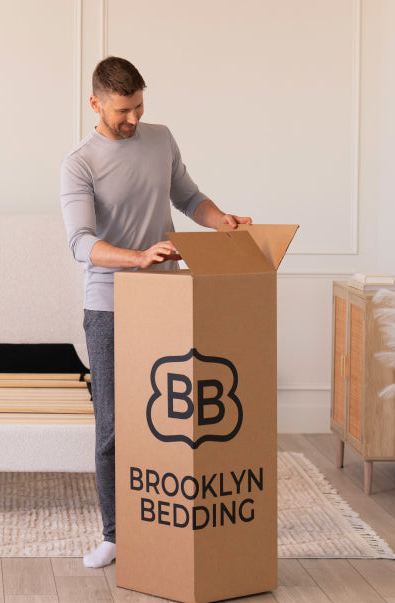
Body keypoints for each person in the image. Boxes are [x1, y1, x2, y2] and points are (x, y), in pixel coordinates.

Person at [60, 56, 252, 569]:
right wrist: (139, 257)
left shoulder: (160, 138)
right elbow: (81, 244)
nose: (134, 119)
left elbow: (188, 196)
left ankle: (169, 522)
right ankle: (115, 536)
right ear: (95, 103)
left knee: (174, 419)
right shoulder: (79, 162)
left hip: (169, 298)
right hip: (110, 306)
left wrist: (222, 222)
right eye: (123, 110)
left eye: (140, 106)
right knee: (115, 427)